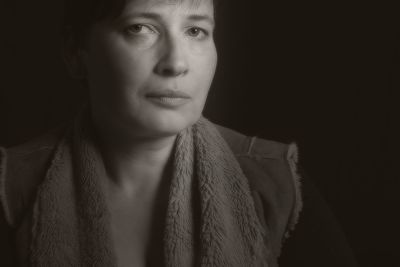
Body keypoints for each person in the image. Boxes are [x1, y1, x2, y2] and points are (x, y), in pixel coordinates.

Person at [0, 0, 307, 266]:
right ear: (75, 51)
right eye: (140, 28)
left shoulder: (275, 181)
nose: (175, 63)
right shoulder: (13, 188)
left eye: (196, 31)